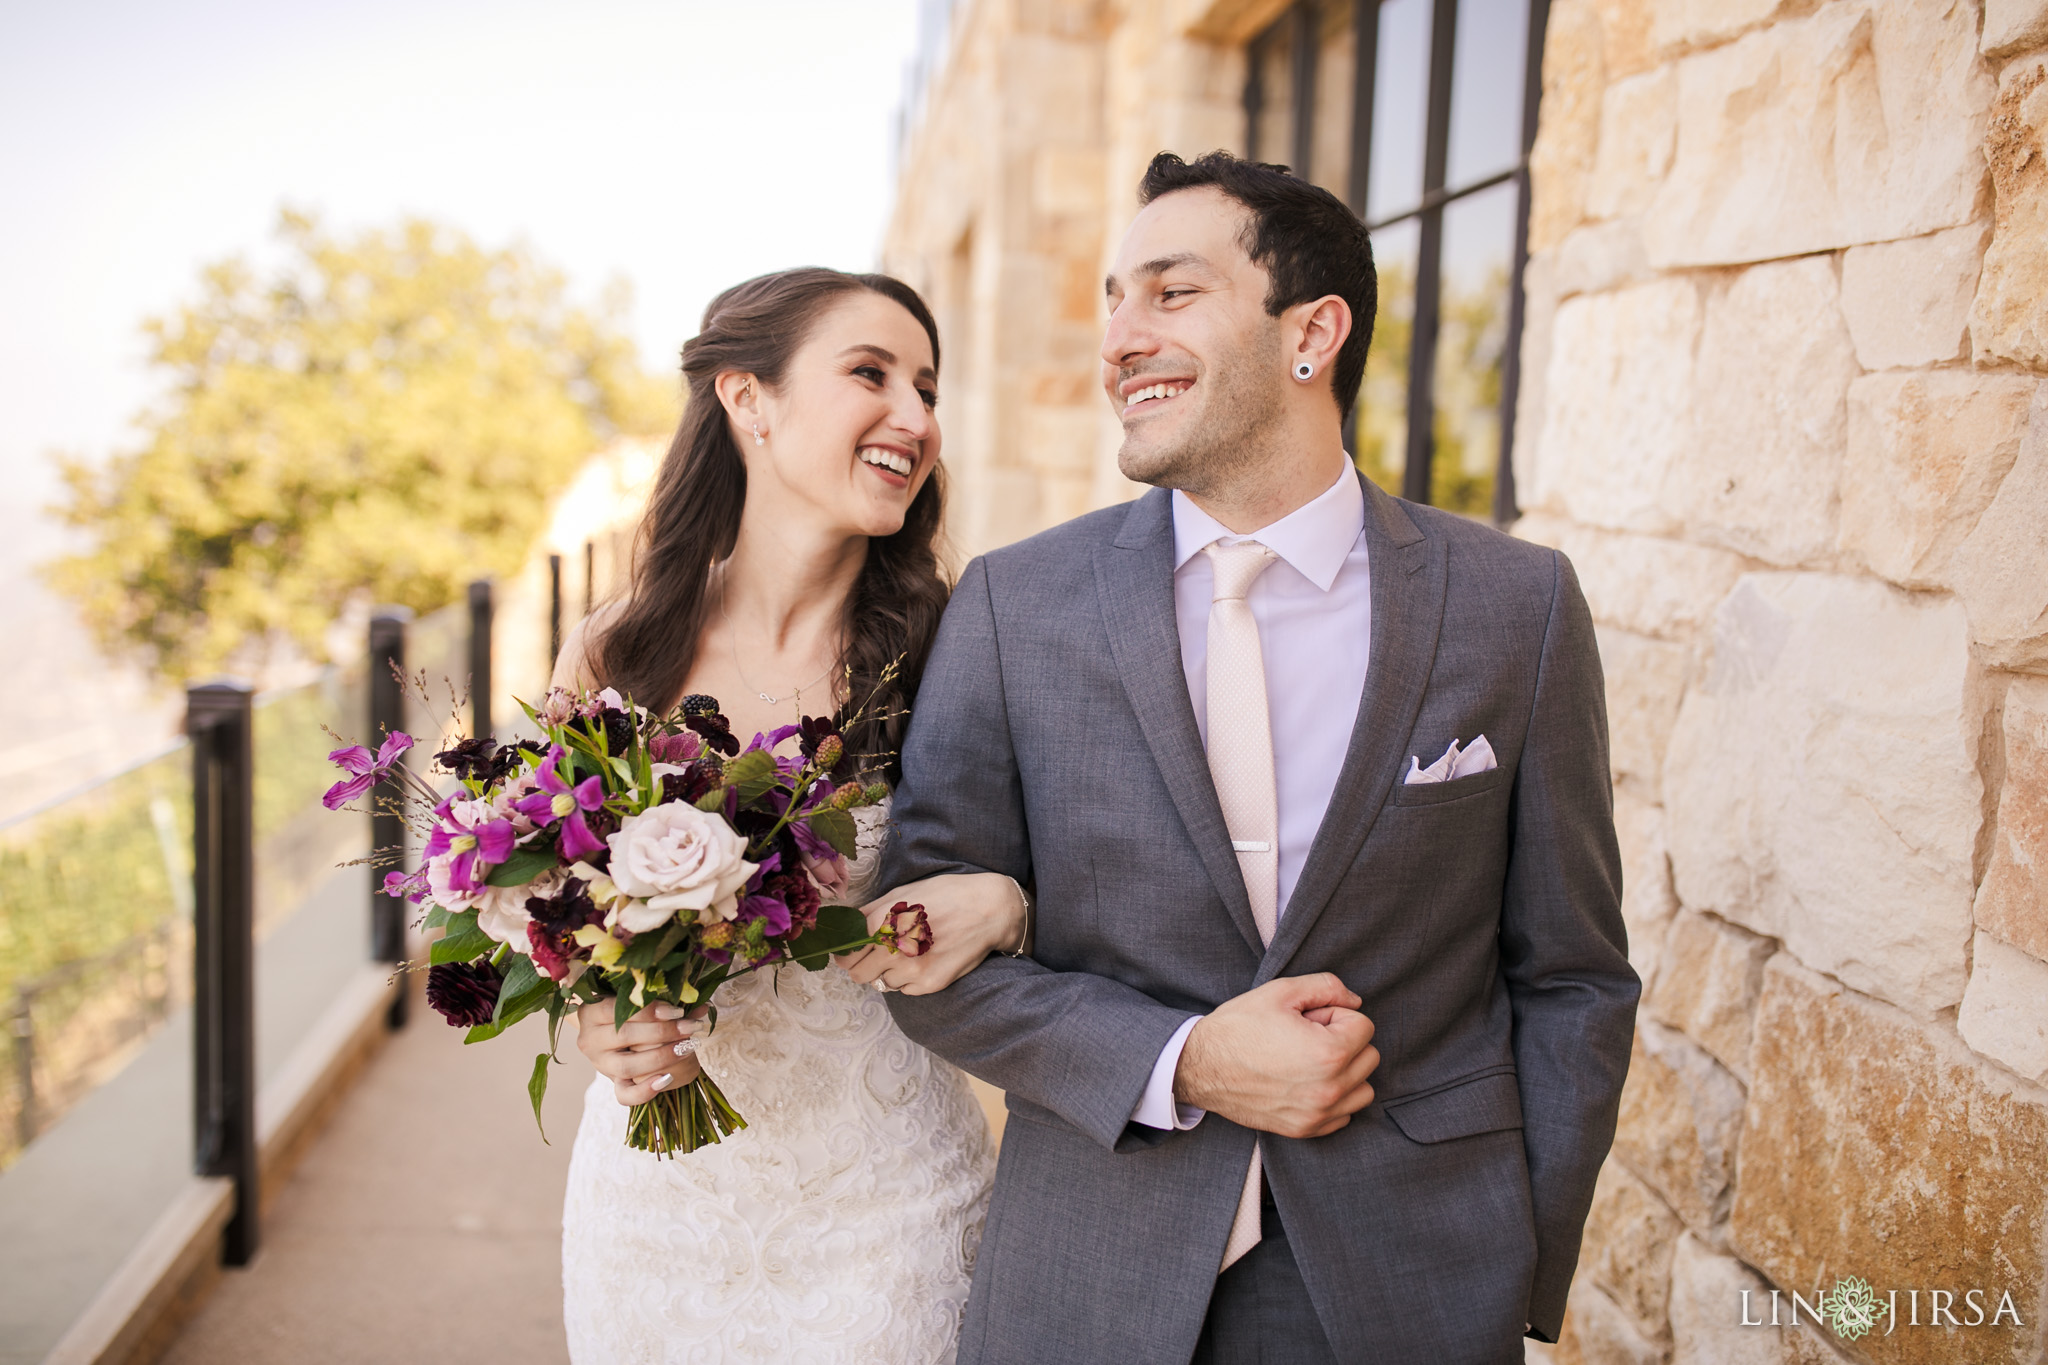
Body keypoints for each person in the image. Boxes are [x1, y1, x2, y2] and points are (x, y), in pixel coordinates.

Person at [883, 150, 1640, 1363]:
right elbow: (921, 954)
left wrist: (1517, 1260)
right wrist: (1183, 1062)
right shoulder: (1013, 606)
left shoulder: (1516, 605)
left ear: (1313, 333)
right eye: (1111, 303)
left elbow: (1572, 978)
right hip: (1093, 1274)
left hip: (1414, 1283)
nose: (1119, 338)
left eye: (1168, 294)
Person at [551, 267, 1026, 1364]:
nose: (914, 417)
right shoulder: (618, 650)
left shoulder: (953, 649)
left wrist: (1003, 902)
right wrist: (593, 1017)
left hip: (883, 1211)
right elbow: (544, 907)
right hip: (652, 1214)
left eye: (927, 387)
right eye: (870, 374)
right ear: (746, 398)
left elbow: (1056, 877)